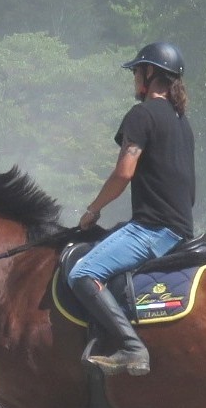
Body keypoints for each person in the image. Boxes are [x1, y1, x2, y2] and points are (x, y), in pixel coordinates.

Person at [68, 41, 196, 376]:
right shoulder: (181, 121)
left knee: (82, 272)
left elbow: (124, 173)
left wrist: (93, 209)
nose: (134, 79)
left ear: (149, 74)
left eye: (137, 71)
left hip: (152, 230)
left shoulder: (142, 115)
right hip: (180, 228)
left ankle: (131, 347)